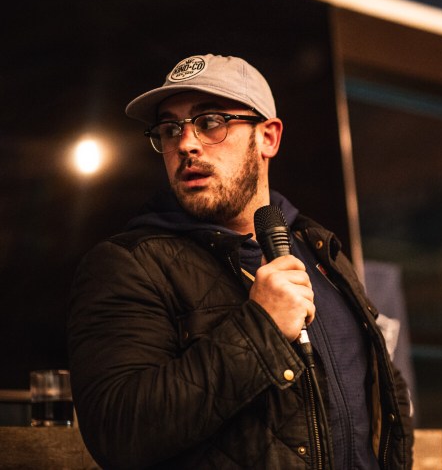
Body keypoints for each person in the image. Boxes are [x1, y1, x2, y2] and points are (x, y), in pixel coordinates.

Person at [67, 54, 414, 469]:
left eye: (210, 121)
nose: (186, 144)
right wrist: (261, 328)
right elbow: (117, 431)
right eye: (169, 129)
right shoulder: (129, 265)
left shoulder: (323, 253)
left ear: (267, 137)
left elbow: (385, 397)